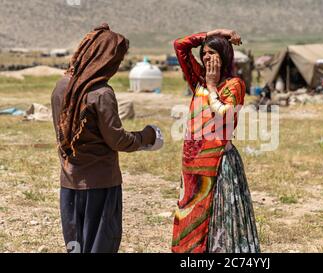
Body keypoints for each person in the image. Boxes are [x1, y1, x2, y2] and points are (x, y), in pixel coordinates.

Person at [50, 24, 163, 253]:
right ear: (104, 58)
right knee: (101, 244)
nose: (116, 66)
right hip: (100, 185)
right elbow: (117, 140)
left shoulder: (62, 87)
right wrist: (146, 136)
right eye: (117, 60)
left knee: (76, 245)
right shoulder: (101, 93)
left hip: (69, 183)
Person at [171, 29, 260, 253]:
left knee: (218, 217)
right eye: (204, 53)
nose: (206, 57)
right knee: (191, 215)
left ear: (225, 55)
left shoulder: (234, 85)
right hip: (192, 165)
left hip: (218, 163)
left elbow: (225, 114)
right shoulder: (198, 80)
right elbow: (180, 45)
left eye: (213, 53)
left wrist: (211, 87)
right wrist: (217, 32)